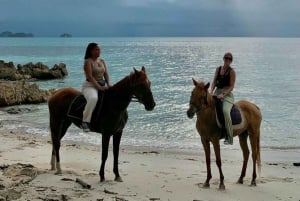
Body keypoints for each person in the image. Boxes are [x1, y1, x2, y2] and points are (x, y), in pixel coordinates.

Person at [81, 43, 110, 132]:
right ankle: (85, 121)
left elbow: (105, 74)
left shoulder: (102, 61)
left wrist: (108, 85)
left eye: (99, 49)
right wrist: (99, 87)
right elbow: (90, 77)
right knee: (93, 98)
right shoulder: (88, 62)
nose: (99, 51)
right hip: (90, 86)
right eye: (96, 49)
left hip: (102, 85)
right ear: (91, 51)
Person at [210, 52, 236, 145]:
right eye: (226, 58)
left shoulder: (232, 72)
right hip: (217, 91)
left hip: (227, 94)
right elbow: (214, 82)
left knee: (225, 111)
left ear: (231, 61)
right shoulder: (218, 69)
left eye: (229, 59)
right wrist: (211, 91)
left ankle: (229, 137)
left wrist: (223, 94)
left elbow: (231, 86)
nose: (227, 60)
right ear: (223, 58)